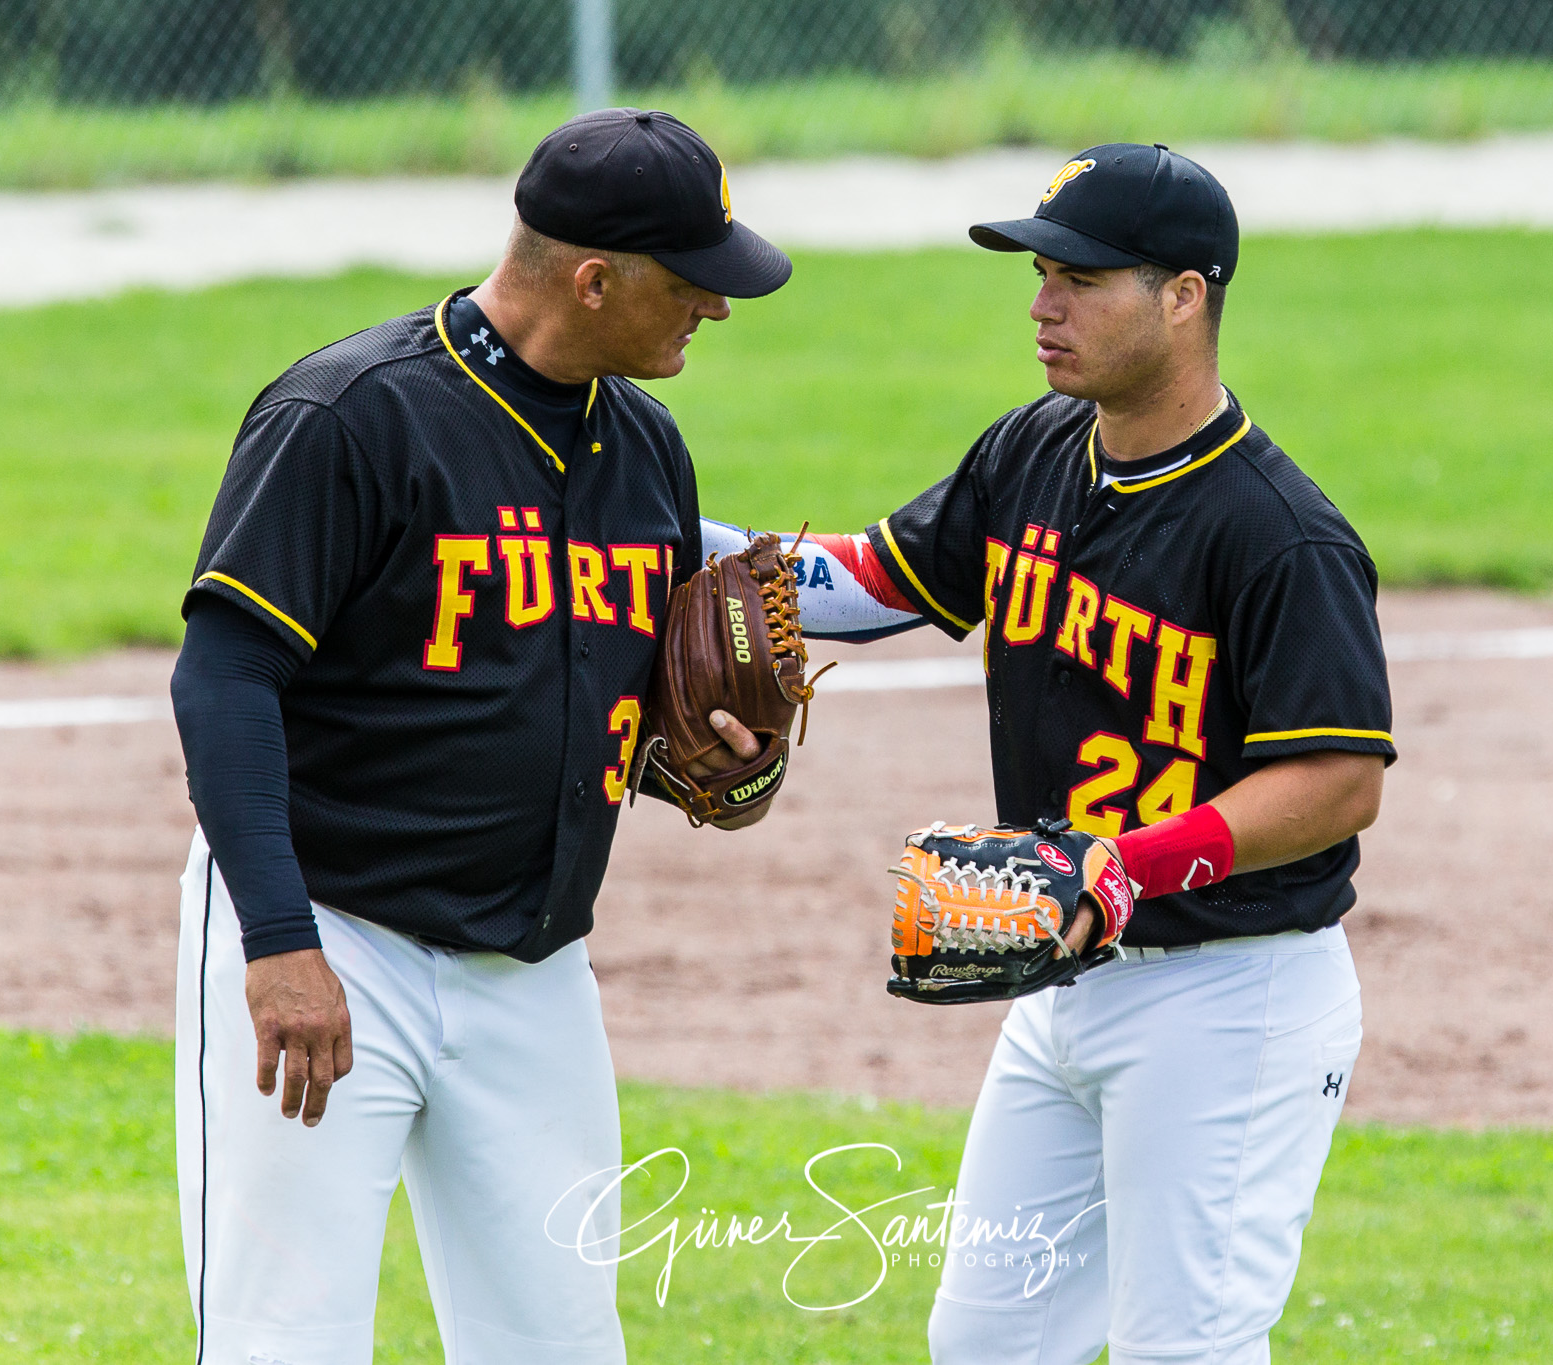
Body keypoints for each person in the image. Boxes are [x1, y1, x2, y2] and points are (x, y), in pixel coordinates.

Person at [711, 143, 1394, 1364]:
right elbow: (879, 577)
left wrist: (1130, 865)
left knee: (1182, 1350)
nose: (1041, 305)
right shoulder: (1033, 450)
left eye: (1078, 279)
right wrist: (666, 540)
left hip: (1230, 999)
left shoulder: (1278, 537)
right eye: (1038, 273)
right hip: (1062, 985)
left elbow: (1339, 781)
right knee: (983, 1343)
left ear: (1183, 294)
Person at [167, 108, 788, 1365]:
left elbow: (595, 698)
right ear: (592, 278)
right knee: (281, 1338)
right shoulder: (350, 417)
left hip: (532, 968)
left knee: (559, 1342)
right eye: (689, 284)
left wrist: (699, 767)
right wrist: (280, 948)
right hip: (330, 934)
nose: (713, 311)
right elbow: (222, 679)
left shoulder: (646, 451)